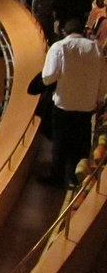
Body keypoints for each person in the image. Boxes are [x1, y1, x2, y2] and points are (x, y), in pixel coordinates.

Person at [41, 19, 107, 187]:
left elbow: (48, 78)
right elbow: (103, 80)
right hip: (86, 106)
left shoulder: (59, 47)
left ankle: (57, 176)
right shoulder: (96, 48)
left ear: (64, 32)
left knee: (60, 142)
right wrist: (97, 98)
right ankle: (74, 178)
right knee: (81, 141)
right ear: (83, 32)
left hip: (64, 104)